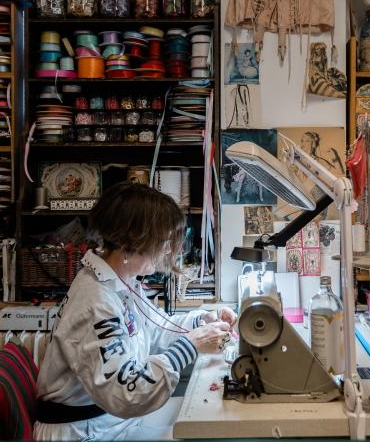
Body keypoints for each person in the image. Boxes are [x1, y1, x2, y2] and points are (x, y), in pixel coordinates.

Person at [34, 182, 236, 440]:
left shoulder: (121, 283)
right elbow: (128, 392)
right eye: (162, 240)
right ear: (131, 240)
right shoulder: (95, 300)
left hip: (109, 422)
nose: (166, 249)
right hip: (85, 432)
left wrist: (202, 319)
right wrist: (191, 344)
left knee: (204, 424)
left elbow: (155, 329)